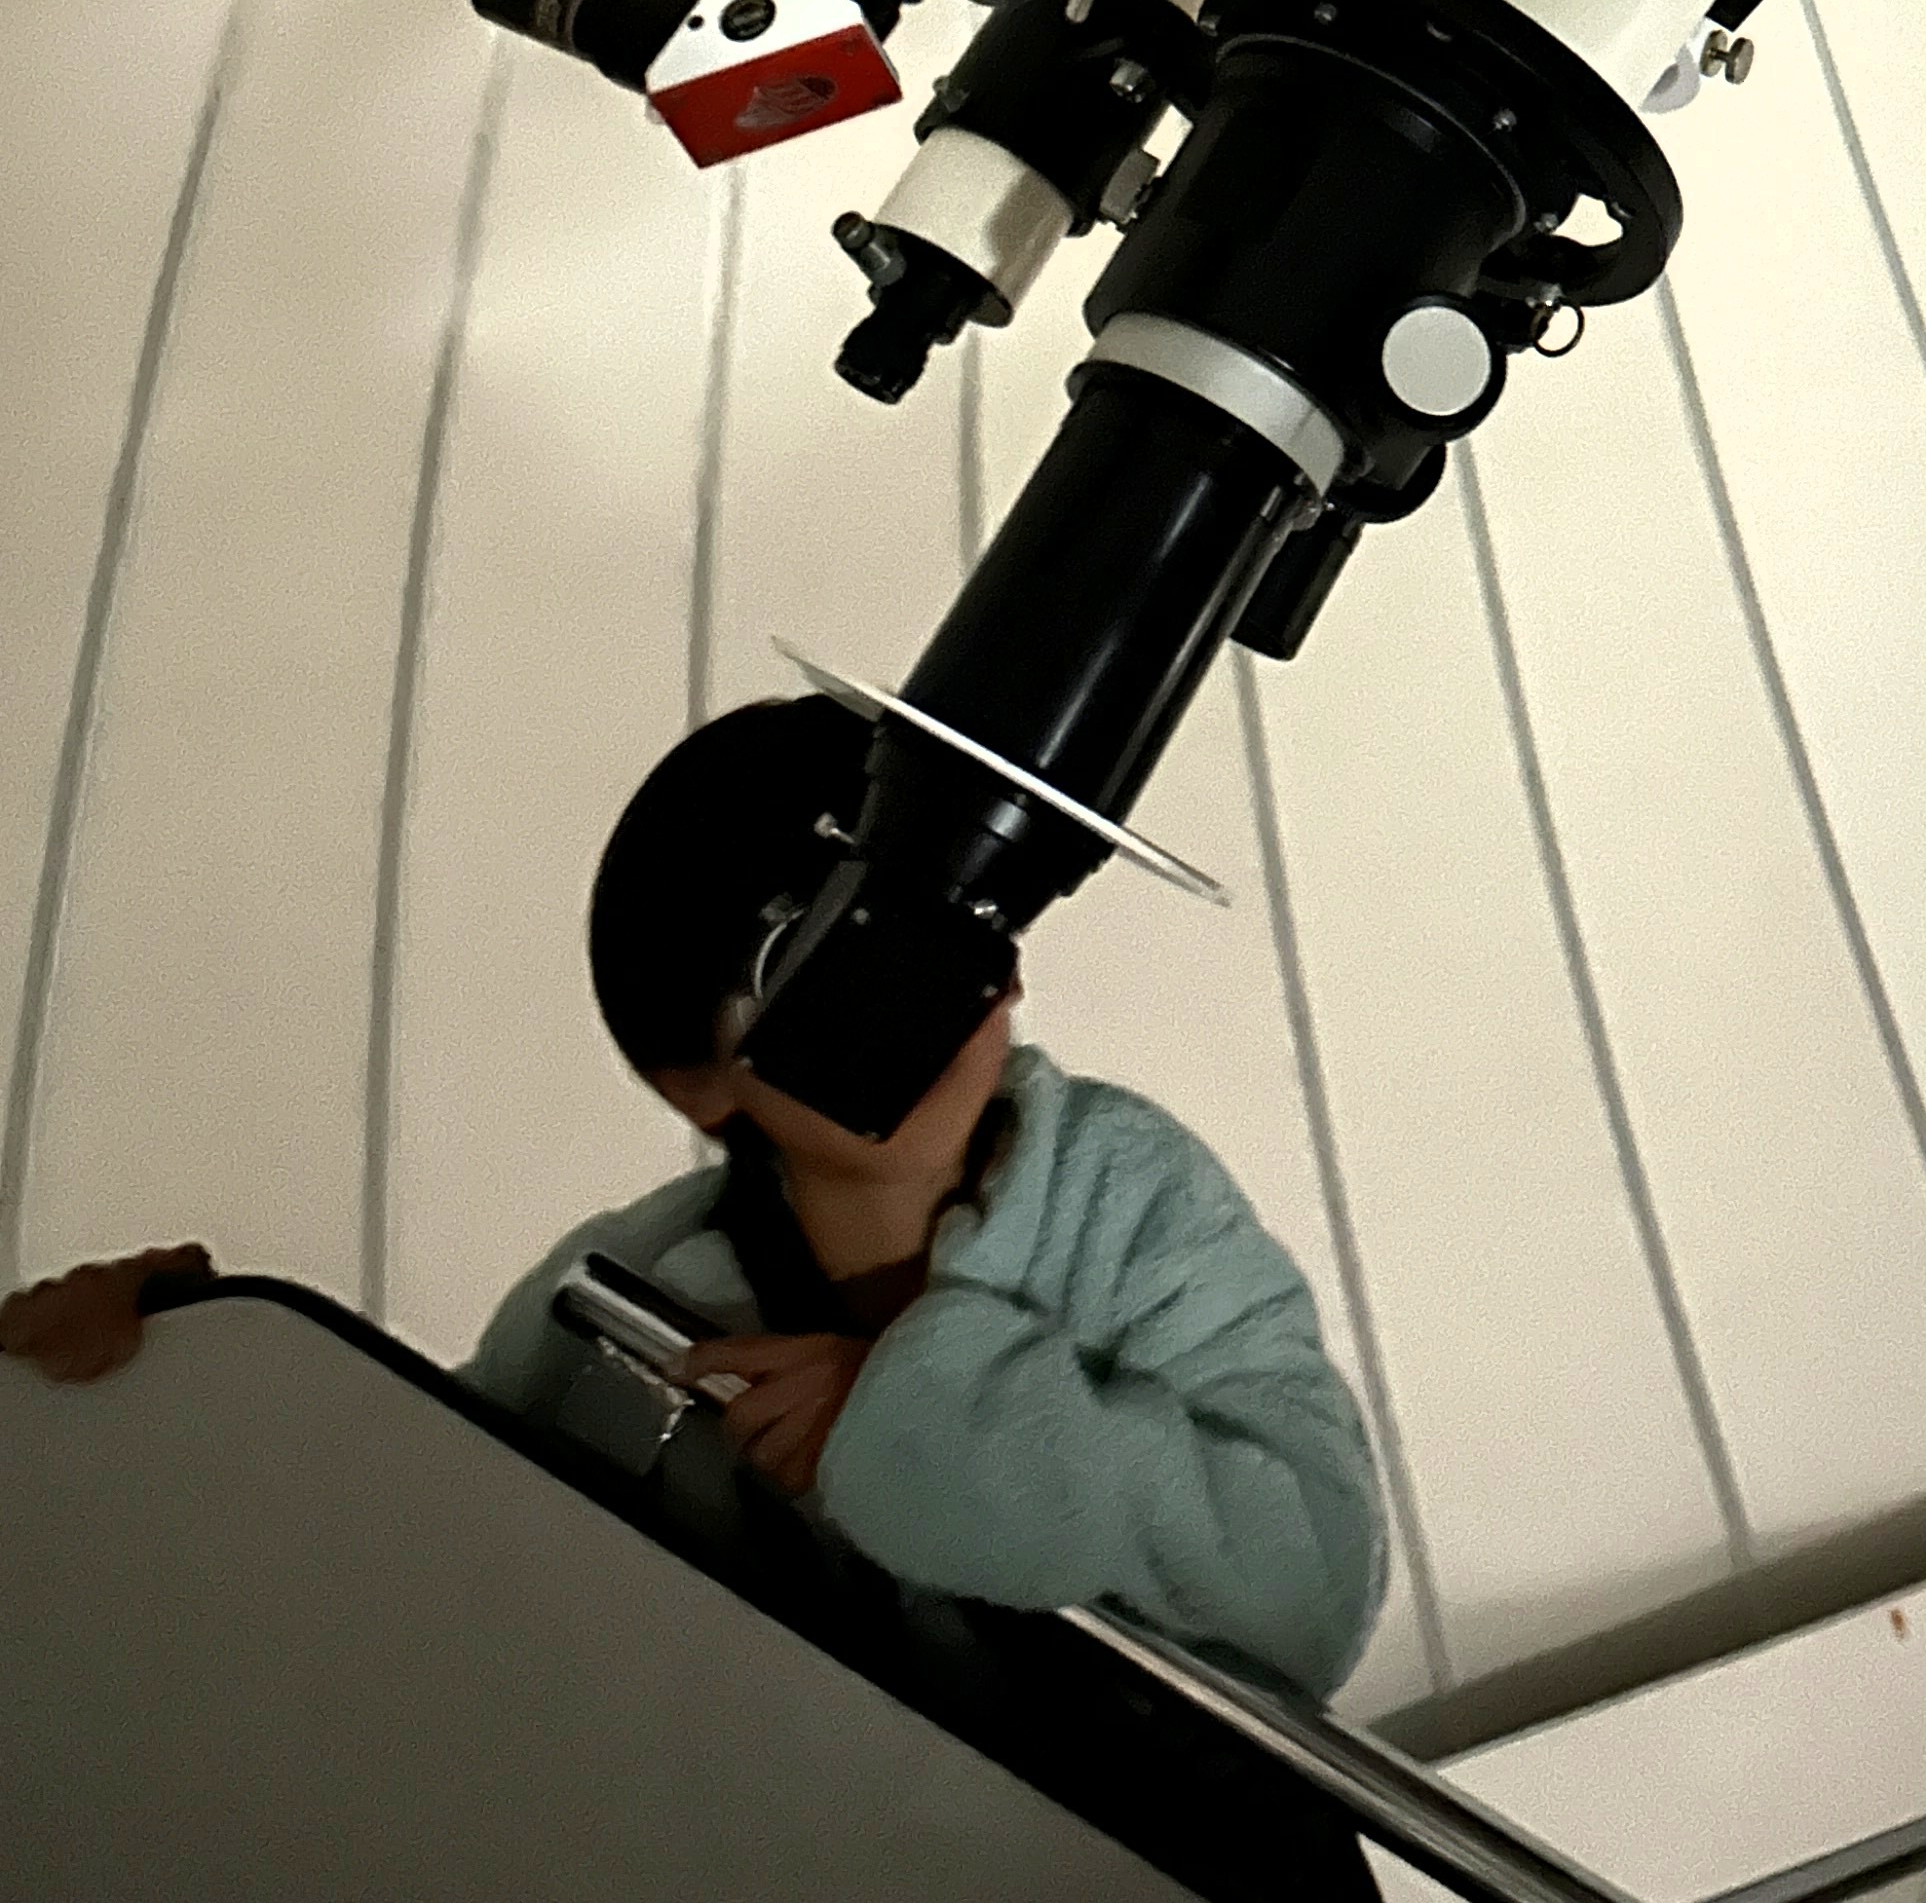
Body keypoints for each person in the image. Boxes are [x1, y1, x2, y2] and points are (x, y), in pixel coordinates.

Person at [7, 695, 1388, 1894]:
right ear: (697, 1081)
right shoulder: (618, 1305)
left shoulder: (1132, 1203)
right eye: (822, 952)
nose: (933, 990)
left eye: (958, 918)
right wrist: (184, 1393)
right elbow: (431, 1564)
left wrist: (921, 1420)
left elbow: (1310, 1586)